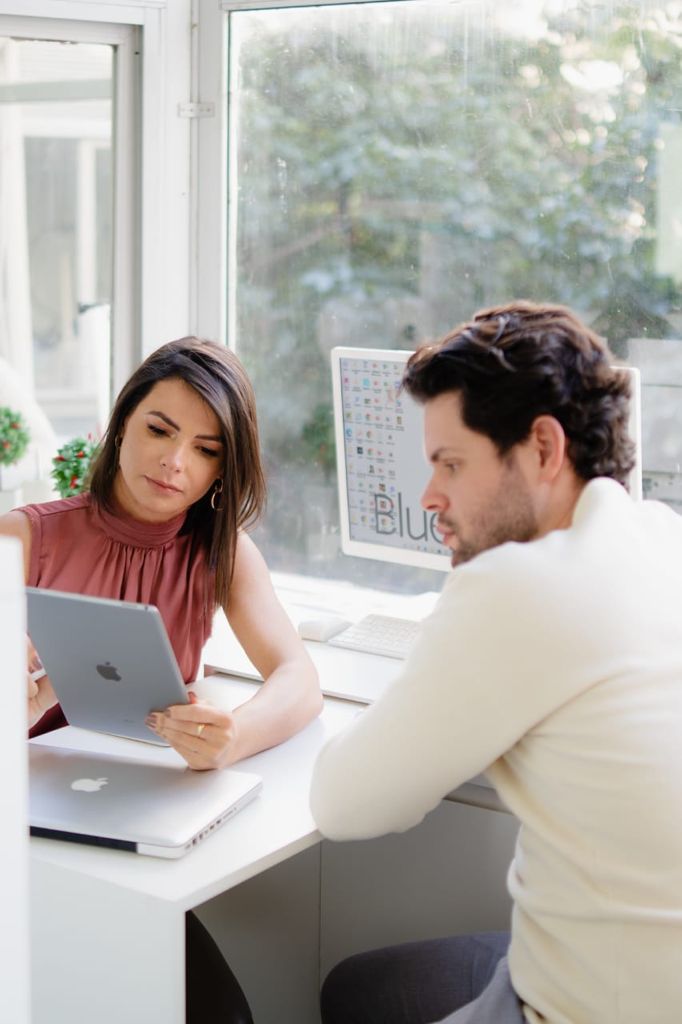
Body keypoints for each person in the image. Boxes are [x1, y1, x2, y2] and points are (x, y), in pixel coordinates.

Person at [310, 301, 682, 1023]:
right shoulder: (661, 536)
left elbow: (342, 803)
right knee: (367, 988)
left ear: (543, 449)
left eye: (452, 463)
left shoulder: (518, 588)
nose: (429, 496)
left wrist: (459, 613)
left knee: (354, 994)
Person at [1, 336, 322, 1024]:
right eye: (159, 430)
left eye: (207, 450)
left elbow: (298, 679)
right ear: (122, 426)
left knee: (221, 1017)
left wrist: (231, 740)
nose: (176, 463)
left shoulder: (220, 553)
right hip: (18, 841)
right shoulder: (23, 539)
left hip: (130, 836)